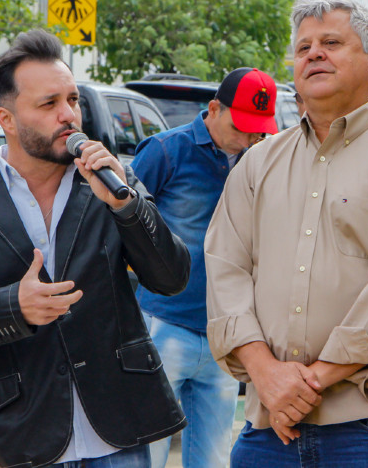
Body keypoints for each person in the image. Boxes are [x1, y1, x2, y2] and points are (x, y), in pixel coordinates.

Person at [0, 29, 191, 468]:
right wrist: (14, 307)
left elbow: (172, 278)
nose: (69, 115)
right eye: (49, 104)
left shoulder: (111, 183)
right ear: (7, 120)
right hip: (24, 439)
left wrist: (127, 207)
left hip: (120, 431)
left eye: (73, 100)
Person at [205, 0, 368, 467]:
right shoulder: (257, 163)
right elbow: (225, 269)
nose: (314, 54)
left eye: (332, 42)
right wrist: (265, 373)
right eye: (304, 48)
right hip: (269, 430)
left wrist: (307, 383)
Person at [131, 67, 277, 468]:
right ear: (213, 109)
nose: (248, 139)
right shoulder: (165, 152)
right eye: (240, 127)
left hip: (226, 332)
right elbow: (121, 225)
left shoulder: (260, 159)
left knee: (212, 455)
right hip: (164, 324)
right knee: (147, 452)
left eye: (257, 131)